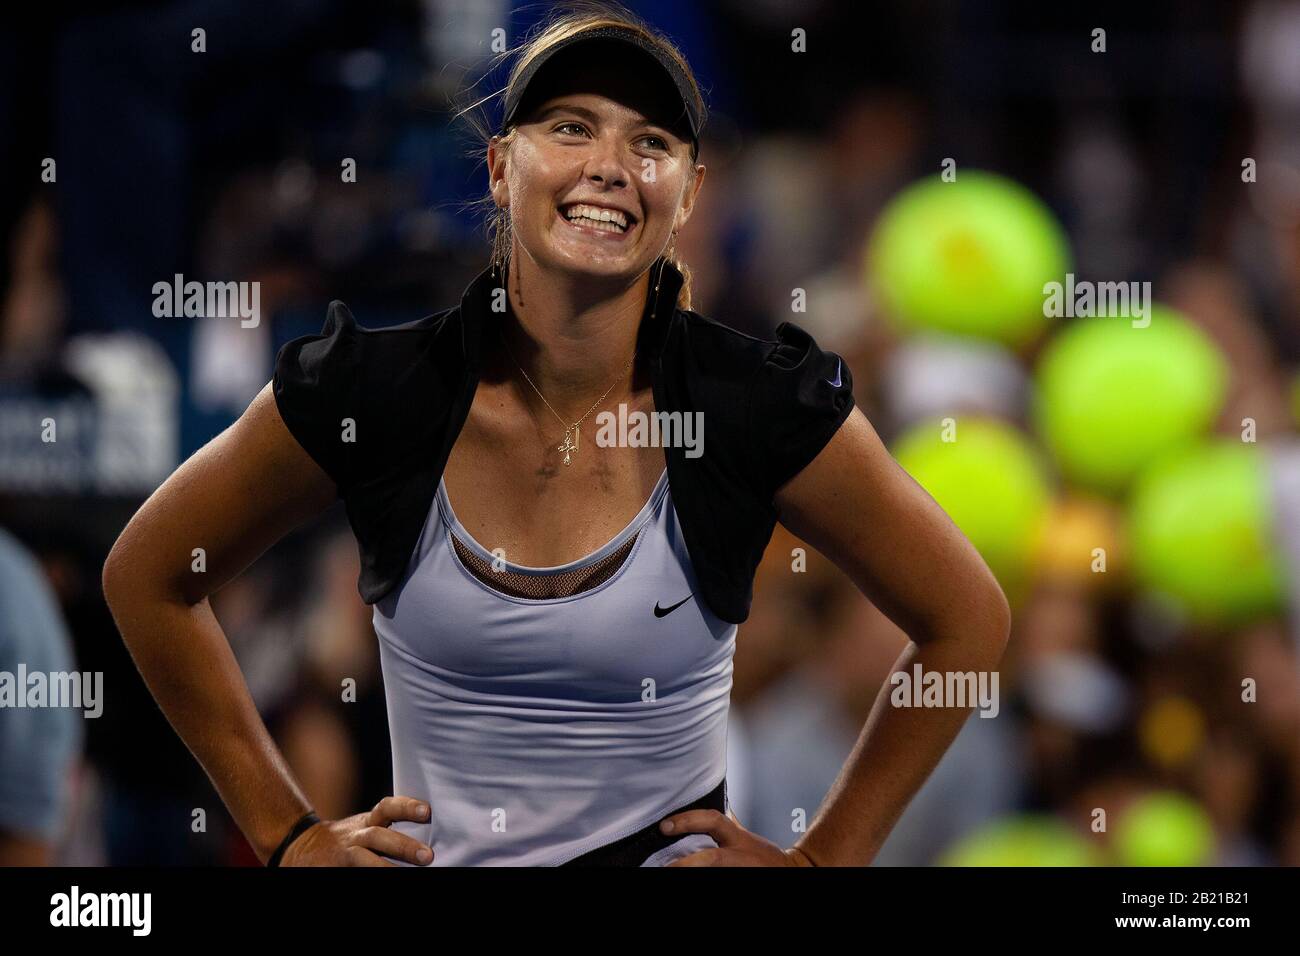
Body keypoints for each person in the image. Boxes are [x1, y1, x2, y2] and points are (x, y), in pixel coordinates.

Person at [102, 7, 1010, 867]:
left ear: (689, 194)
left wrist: (824, 855)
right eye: (571, 127)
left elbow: (969, 619)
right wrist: (287, 833)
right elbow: (147, 578)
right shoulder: (373, 390)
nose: (610, 164)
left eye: (650, 141)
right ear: (500, 167)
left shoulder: (756, 403)